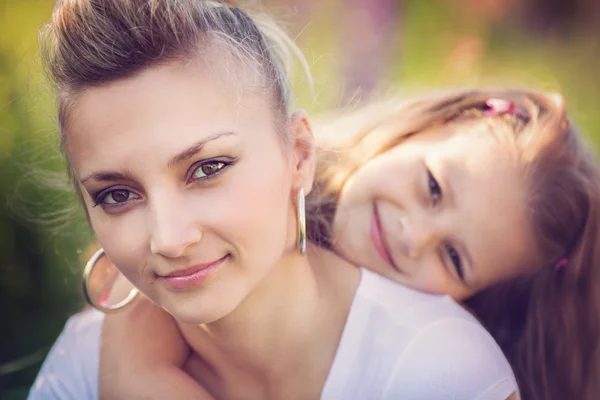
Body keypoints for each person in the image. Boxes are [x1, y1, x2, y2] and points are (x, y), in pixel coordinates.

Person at [27, 0, 591, 399]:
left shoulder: (436, 370)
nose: (409, 234)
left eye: (208, 169)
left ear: (299, 154)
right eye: (117, 194)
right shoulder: (95, 351)